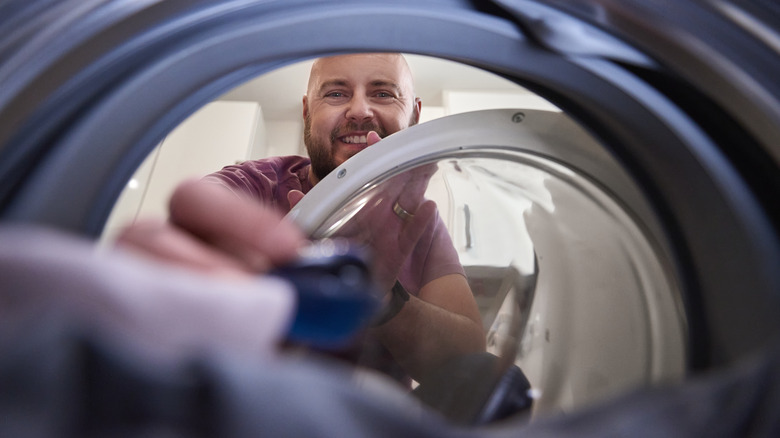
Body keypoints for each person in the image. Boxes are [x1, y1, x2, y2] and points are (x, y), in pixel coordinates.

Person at [117, 53, 486, 384]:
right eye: (337, 93)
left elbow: (468, 363)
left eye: (383, 93)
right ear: (307, 112)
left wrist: (382, 297)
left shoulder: (420, 222)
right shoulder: (252, 185)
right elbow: (174, 259)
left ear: (415, 114)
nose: (359, 110)